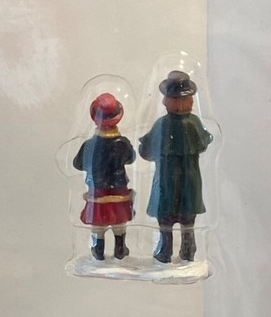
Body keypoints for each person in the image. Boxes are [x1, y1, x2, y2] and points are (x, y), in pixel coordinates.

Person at [138, 70, 213, 263]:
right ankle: (188, 250)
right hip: (190, 182)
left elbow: (146, 151)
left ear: (168, 101)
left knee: (166, 220)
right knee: (188, 219)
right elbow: (204, 143)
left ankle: (165, 251)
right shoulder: (194, 123)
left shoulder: (162, 125)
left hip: (166, 182)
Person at [73, 92, 135, 260]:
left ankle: (98, 250)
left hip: (97, 189)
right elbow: (131, 158)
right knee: (119, 220)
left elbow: (78, 164)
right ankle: (120, 249)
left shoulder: (89, 145)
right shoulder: (123, 143)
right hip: (119, 188)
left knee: (98, 221)